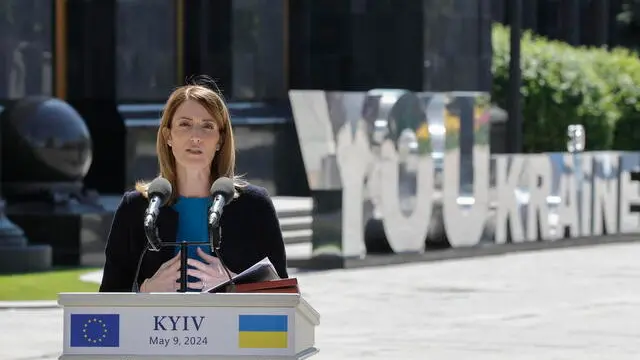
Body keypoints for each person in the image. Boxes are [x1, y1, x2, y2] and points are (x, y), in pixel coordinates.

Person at [99, 78, 288, 292]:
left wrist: (233, 285)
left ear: (220, 140)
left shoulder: (254, 206)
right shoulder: (136, 208)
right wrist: (145, 291)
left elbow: (283, 297)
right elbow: (108, 299)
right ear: (168, 136)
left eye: (207, 126)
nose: (195, 137)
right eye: (185, 124)